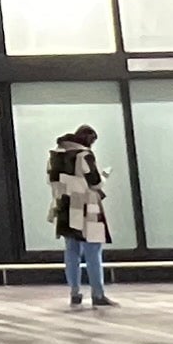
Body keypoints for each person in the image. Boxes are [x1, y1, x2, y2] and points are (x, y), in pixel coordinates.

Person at [49, 125, 118, 308]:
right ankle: (98, 293)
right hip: (87, 206)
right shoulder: (84, 155)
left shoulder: (56, 154)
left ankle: (74, 292)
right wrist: (104, 176)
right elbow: (94, 182)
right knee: (93, 250)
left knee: (71, 250)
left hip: (65, 205)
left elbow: (52, 181)